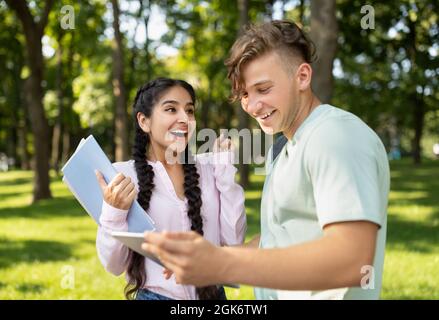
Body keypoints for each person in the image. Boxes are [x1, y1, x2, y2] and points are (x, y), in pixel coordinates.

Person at [142, 20, 391, 300]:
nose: (252, 105)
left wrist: (223, 263)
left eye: (263, 89)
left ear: (303, 77)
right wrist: (211, 259)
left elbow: (352, 260)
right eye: (245, 94)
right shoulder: (286, 147)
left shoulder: (334, 136)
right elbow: (280, 237)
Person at [95, 77, 246, 300]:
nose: (184, 119)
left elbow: (234, 241)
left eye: (190, 111)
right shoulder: (122, 177)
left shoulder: (211, 167)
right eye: (171, 109)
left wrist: (225, 173)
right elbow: (114, 265)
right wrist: (113, 211)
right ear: (144, 121)